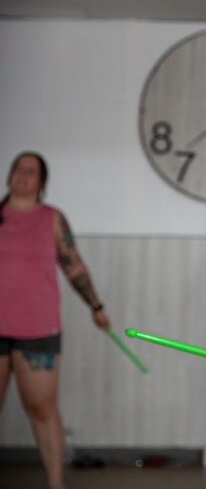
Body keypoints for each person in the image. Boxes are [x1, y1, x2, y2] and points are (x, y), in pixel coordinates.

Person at [0, 151, 111, 489]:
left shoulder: (52, 219)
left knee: (42, 410)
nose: (23, 174)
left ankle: (56, 485)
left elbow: (73, 265)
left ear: (42, 182)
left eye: (31, 170)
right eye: (18, 168)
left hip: (38, 330)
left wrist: (95, 305)